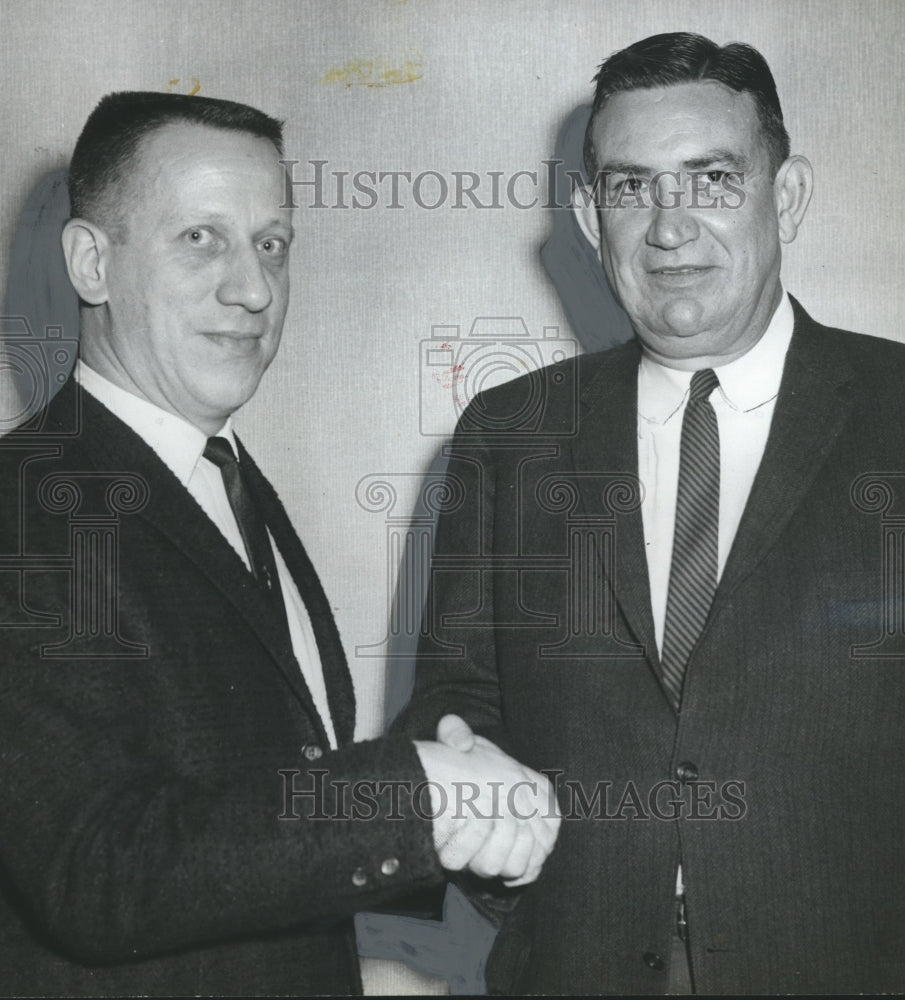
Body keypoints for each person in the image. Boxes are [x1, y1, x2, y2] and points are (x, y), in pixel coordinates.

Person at [0, 91, 559, 996]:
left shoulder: (228, 481)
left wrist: (422, 872)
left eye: (271, 244)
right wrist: (405, 795)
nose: (254, 289)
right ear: (91, 262)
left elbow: (252, 817)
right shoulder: (22, 506)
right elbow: (98, 870)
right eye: (201, 239)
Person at [395, 32, 905, 994]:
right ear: (590, 217)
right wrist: (539, 894)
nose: (669, 229)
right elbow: (454, 712)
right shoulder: (512, 433)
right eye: (632, 187)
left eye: (710, 178)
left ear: (783, 195)